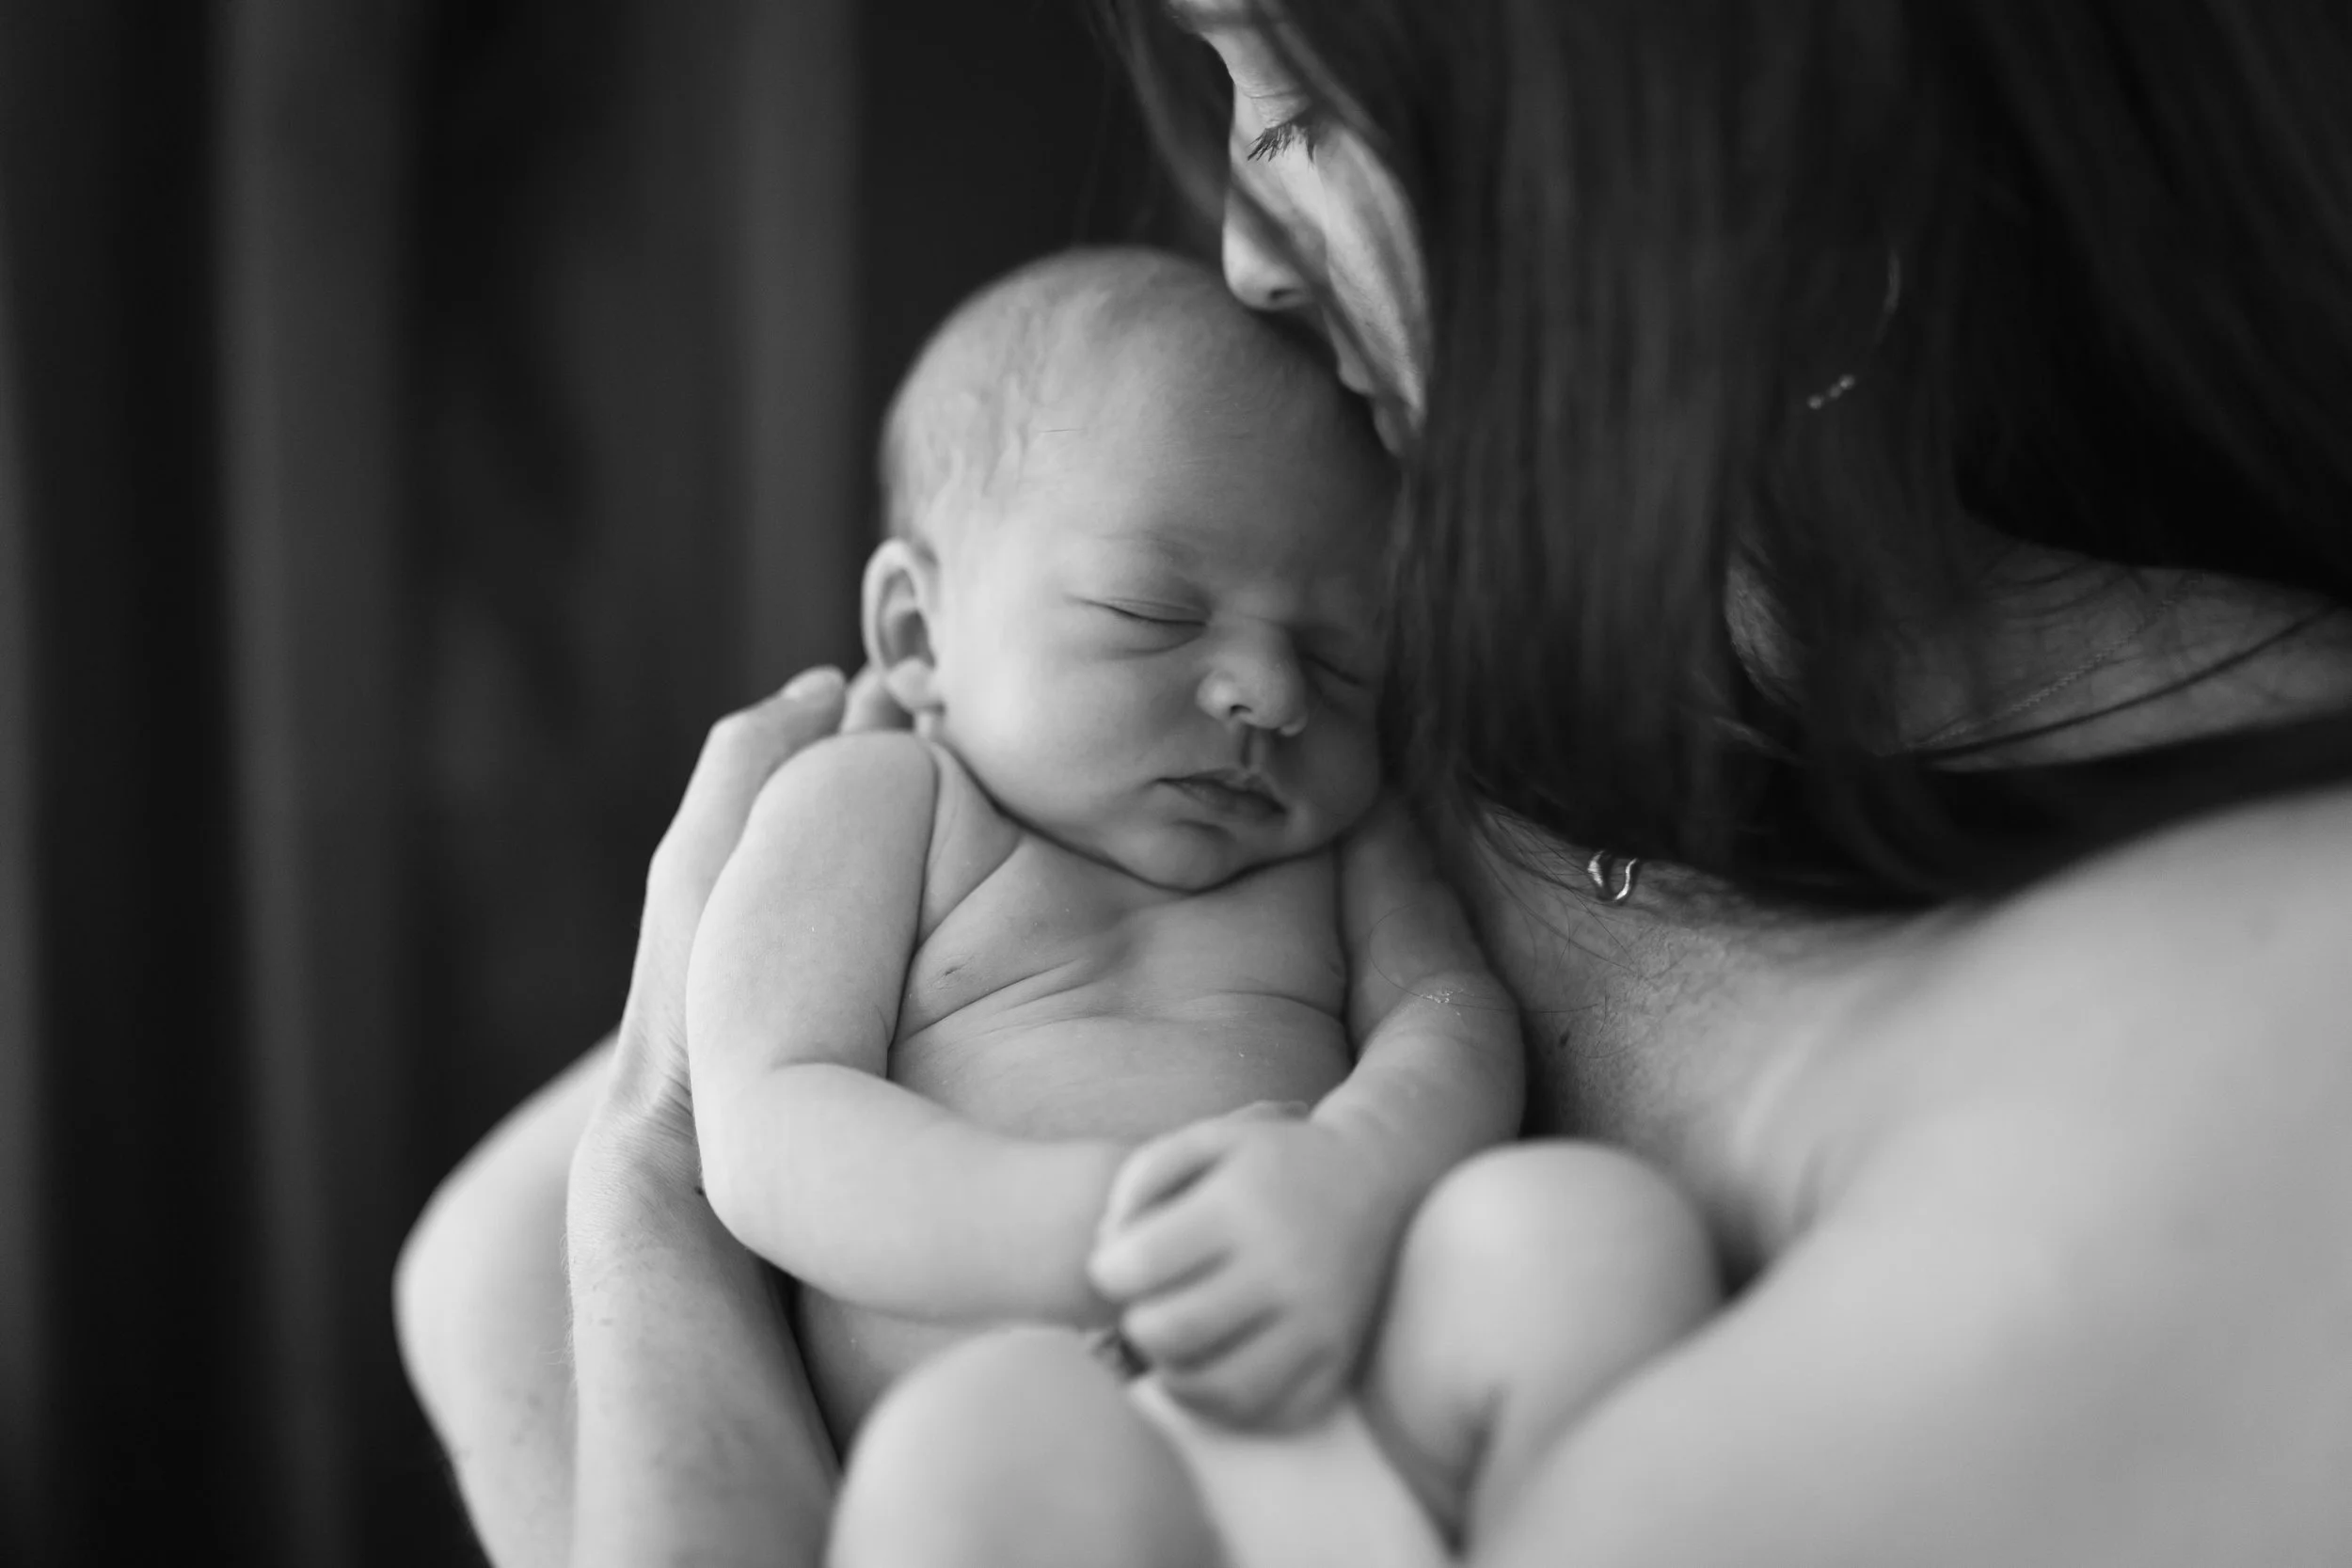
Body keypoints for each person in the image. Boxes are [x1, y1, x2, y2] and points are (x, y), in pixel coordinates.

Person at [395, 2, 2352, 1565]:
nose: (1239, 252)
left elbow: (577, 1271)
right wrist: (681, 1160)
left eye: (1292, 96)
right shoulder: (1415, 649)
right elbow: (501, 1255)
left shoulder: (2223, 1054)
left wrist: (659, 1204)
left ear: (1699, 101)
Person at [688, 244, 1712, 1568]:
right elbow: (762, 1116)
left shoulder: (1342, 842)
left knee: (1584, 1235)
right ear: (916, 638)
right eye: (1153, 610)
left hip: (1344, 1411)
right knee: (969, 1446)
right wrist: (1091, 1228)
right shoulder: (876, 802)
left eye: (1345, 659)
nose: (1269, 695)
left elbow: (1450, 1015)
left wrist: (1353, 1172)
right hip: (1056, 1458)